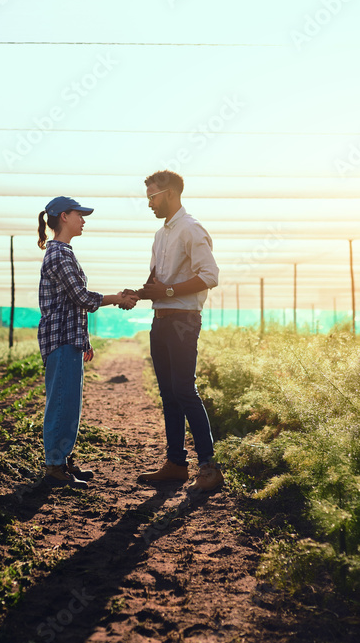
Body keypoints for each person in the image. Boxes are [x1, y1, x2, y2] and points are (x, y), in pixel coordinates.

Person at [129, 170, 223, 492]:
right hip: (161, 321)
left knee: (184, 390)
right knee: (168, 394)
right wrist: (137, 294)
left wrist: (167, 292)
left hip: (183, 321)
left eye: (152, 197)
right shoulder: (160, 236)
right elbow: (158, 282)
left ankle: (209, 468)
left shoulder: (191, 229)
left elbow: (210, 275)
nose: (150, 204)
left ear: (169, 194)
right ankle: (176, 464)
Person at [38, 196, 136, 489]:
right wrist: (118, 298)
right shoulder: (59, 255)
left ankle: (62, 459)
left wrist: (85, 340)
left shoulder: (64, 252)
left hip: (70, 338)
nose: (84, 220)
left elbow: (72, 304)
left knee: (69, 403)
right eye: (80, 215)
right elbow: (81, 297)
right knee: (60, 402)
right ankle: (55, 465)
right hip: (61, 339)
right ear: (64, 216)